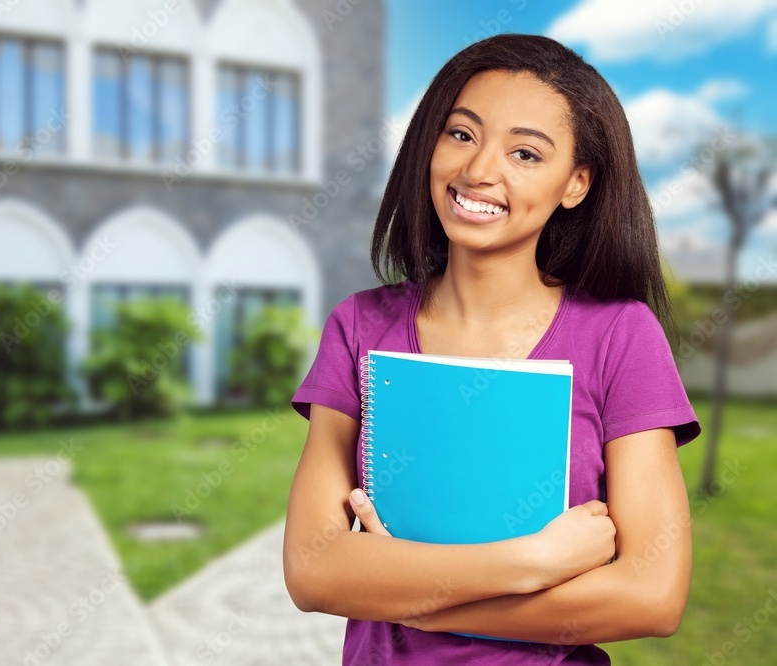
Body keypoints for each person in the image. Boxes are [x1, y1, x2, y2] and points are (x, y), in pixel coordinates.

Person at [282, 34, 702, 665]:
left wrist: (397, 589)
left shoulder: (620, 335)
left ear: (576, 185)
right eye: (460, 135)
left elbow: (652, 596)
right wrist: (533, 563)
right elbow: (313, 574)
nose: (479, 171)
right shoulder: (361, 326)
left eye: (526, 153)